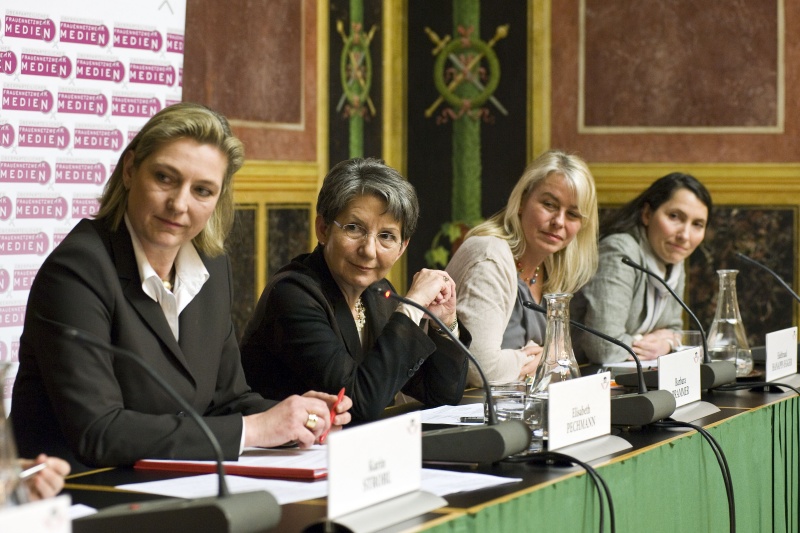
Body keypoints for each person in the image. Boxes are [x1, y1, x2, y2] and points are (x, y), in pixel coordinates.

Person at [10, 103, 351, 472]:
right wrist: (255, 429)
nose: (178, 204)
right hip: (77, 489)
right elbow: (98, 431)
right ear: (130, 170)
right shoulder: (77, 270)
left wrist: (296, 417)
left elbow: (226, 401)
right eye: (164, 178)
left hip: (170, 483)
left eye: (202, 190)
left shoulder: (211, 266)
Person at [239, 157, 470, 422]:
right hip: (285, 446)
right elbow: (357, 404)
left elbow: (442, 394)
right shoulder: (292, 295)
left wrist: (445, 322)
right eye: (354, 228)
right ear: (323, 230)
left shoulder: (378, 293)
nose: (369, 250)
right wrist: (411, 307)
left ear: (402, 248)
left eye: (386, 236)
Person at [445, 150, 599, 386]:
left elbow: (560, 361)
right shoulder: (490, 256)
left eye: (572, 214)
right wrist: (538, 360)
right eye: (549, 205)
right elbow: (479, 368)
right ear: (522, 201)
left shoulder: (551, 269)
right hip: (454, 407)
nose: (559, 222)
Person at [571, 172, 711, 364]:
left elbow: (675, 329)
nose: (685, 236)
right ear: (647, 214)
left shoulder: (673, 260)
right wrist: (653, 344)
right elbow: (603, 347)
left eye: (697, 224)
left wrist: (667, 343)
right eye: (674, 216)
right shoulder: (620, 251)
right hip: (579, 374)